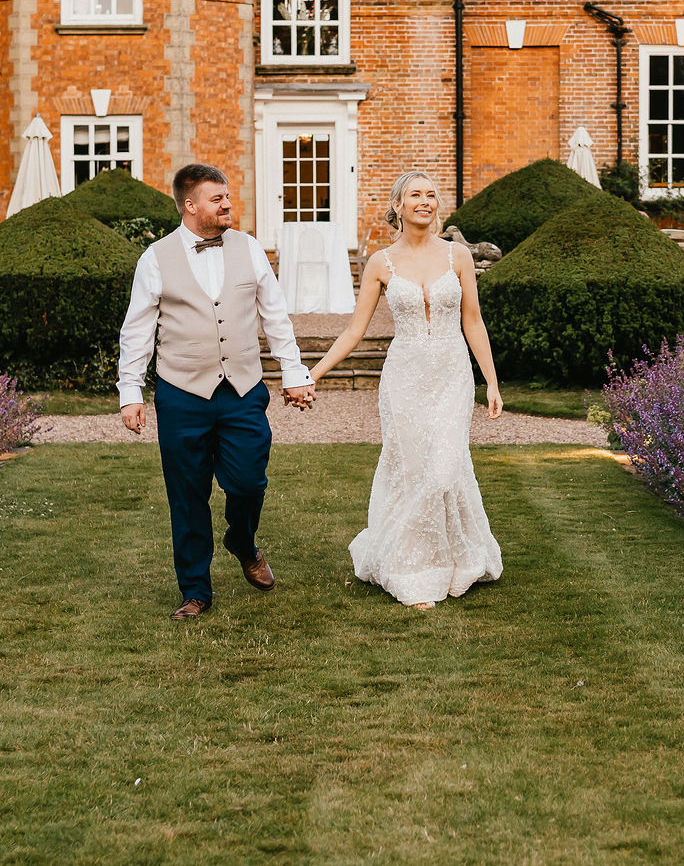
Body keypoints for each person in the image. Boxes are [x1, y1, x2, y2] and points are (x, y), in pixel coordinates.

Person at [117, 163, 315, 620]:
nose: (228, 204)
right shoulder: (156, 257)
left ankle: (241, 541)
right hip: (181, 393)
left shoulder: (249, 249)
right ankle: (195, 591)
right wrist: (131, 391)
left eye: (227, 196)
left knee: (248, 480)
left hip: (242, 390)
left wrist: (294, 372)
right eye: (217, 198)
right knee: (186, 494)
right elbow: (138, 330)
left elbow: (276, 317)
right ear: (190, 205)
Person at [308, 170, 503, 610]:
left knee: (445, 468)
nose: (425, 202)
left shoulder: (458, 257)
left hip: (452, 373)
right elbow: (354, 331)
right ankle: (413, 568)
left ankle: (457, 557)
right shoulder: (381, 262)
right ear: (398, 205)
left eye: (431, 195)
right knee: (415, 471)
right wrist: (313, 373)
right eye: (415, 195)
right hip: (405, 379)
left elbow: (473, 320)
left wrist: (490, 380)